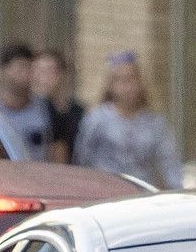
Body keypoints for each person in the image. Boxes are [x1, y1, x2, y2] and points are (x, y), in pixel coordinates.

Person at [75, 51, 182, 189]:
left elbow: (169, 161)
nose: (127, 87)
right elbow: (82, 158)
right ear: (110, 85)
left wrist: (177, 190)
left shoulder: (154, 123)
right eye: (120, 80)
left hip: (141, 191)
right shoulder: (97, 118)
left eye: (131, 79)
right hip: (105, 191)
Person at [0, 44, 52, 161]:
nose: (25, 74)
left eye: (29, 68)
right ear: (3, 71)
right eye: (20, 67)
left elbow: (57, 153)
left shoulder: (46, 109)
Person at [33, 49, 85, 163]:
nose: (43, 78)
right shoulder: (30, 112)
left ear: (61, 74)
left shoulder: (77, 112)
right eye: (39, 71)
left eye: (49, 71)